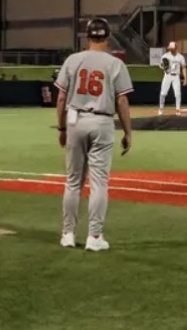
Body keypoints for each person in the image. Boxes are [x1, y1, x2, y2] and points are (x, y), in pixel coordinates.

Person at [54, 18, 134, 252]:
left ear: (87, 37)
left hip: (76, 120)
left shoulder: (73, 60)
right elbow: (122, 100)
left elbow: (61, 98)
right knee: (99, 183)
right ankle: (94, 236)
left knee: (73, 182)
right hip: (102, 121)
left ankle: (68, 234)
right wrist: (128, 132)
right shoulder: (115, 63)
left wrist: (61, 128)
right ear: (107, 38)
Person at [157, 41, 187, 116]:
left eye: (172, 48)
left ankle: (178, 110)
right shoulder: (165, 56)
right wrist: (162, 67)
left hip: (176, 76)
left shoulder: (180, 57)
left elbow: (183, 68)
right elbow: (160, 65)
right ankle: (161, 109)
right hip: (167, 75)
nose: (171, 49)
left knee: (177, 94)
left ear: (176, 48)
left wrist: (185, 79)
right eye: (170, 48)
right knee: (163, 93)